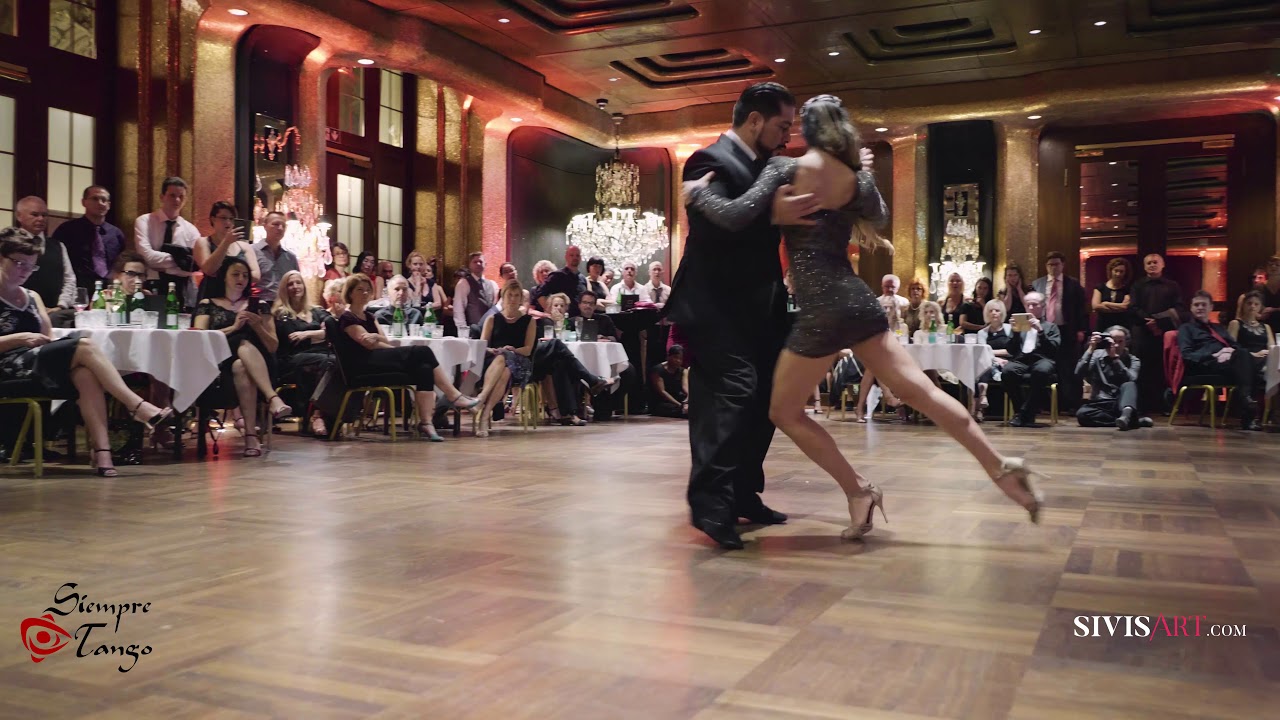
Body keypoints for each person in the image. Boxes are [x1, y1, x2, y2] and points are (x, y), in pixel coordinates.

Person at [683, 93, 1043, 546]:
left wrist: (698, 195)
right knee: (924, 393)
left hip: (822, 311)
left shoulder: (783, 169)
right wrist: (861, 172)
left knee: (783, 412)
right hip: (859, 301)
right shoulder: (856, 180)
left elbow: (736, 214)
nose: (788, 134)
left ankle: (858, 490)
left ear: (808, 130)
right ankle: (1000, 466)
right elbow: (880, 214)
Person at [665, 82, 819, 549]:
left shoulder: (766, 165)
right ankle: (710, 506)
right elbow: (721, 230)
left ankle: (742, 494)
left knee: (768, 397)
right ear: (754, 120)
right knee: (731, 395)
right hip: (714, 305)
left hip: (760, 307)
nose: (787, 136)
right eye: (782, 126)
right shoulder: (706, 161)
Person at [0, 228, 173, 476]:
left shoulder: (32, 296)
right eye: (19, 263)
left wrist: (47, 346)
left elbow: (47, 338)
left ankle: (103, 454)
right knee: (86, 344)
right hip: (7, 367)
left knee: (85, 374)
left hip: (37, 362)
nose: (25, 271)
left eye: (31, 266)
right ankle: (137, 406)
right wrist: (19, 338)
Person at [338, 273, 479, 441]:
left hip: (378, 357)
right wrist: (391, 348)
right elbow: (367, 344)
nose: (365, 293)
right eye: (360, 290)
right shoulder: (347, 317)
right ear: (350, 293)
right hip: (363, 364)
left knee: (424, 368)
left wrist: (382, 341)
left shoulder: (369, 316)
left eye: (368, 290)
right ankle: (453, 395)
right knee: (423, 351)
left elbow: (382, 339)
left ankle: (426, 423)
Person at [193, 258, 291, 456]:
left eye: (245, 275)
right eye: (236, 274)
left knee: (241, 365)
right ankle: (272, 399)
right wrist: (234, 328)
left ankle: (251, 436)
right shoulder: (208, 304)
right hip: (218, 363)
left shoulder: (259, 305)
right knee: (241, 341)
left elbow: (273, 346)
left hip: (257, 366)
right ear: (224, 277)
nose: (241, 279)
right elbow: (199, 338)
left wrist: (258, 326)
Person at [474, 280, 537, 438]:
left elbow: (528, 349)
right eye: (510, 295)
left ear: (521, 298)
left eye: (516, 296)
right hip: (494, 362)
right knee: (504, 366)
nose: (513, 299)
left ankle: (481, 401)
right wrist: (493, 350)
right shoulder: (492, 319)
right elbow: (482, 346)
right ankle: (485, 415)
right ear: (503, 296)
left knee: (506, 361)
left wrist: (514, 350)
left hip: (520, 361)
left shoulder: (529, 321)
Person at [1076, 326, 1152, 430]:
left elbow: (1131, 379)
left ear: (1126, 342)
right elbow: (1079, 372)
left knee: (1129, 384)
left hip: (1123, 403)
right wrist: (1091, 348)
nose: (1116, 345)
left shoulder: (1133, 360)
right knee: (1082, 414)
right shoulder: (1096, 355)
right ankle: (1131, 422)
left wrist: (1115, 359)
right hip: (1101, 402)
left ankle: (1126, 416)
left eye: (1120, 341)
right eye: (1113, 341)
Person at [649, 345, 689, 418]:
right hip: (662, 402)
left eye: (680, 358)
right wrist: (680, 405)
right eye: (675, 357)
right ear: (668, 356)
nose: (678, 361)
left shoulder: (683, 371)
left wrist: (688, 399)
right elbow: (662, 392)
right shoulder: (657, 370)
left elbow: (685, 387)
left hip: (678, 399)